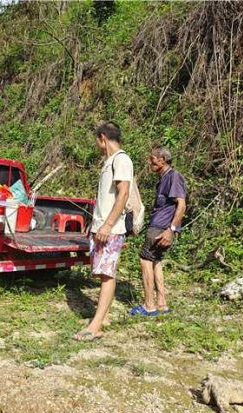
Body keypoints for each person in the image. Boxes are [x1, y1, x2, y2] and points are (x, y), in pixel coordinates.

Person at [73, 121, 133, 341]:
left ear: (102, 138)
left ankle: (96, 326)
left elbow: (123, 194)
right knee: (101, 271)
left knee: (107, 274)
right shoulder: (109, 162)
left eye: (97, 141)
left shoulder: (121, 160)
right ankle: (103, 316)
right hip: (101, 226)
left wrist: (108, 224)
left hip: (111, 229)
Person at [130, 146, 186, 316]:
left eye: (152, 158)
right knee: (156, 260)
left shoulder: (174, 177)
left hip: (161, 228)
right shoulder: (163, 179)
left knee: (145, 260)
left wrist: (171, 229)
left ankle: (149, 305)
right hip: (159, 226)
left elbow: (181, 205)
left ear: (162, 160)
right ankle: (161, 303)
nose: (150, 161)